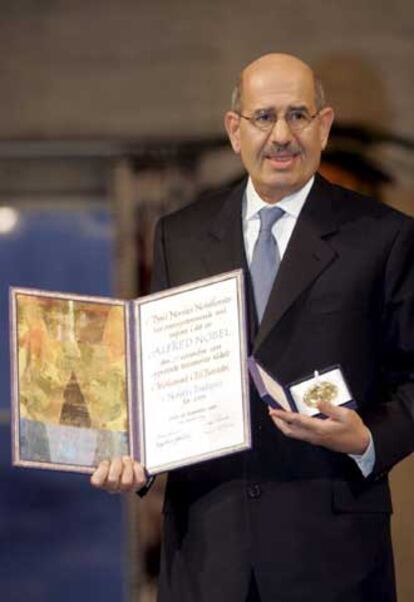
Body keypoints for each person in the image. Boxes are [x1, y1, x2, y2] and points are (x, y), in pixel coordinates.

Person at [91, 53, 414, 602]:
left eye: (299, 115)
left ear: (325, 125)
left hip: (333, 553)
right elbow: (160, 374)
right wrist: (133, 456)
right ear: (235, 129)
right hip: (207, 553)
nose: (282, 135)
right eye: (264, 116)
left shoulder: (383, 236)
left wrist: (366, 438)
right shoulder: (180, 234)